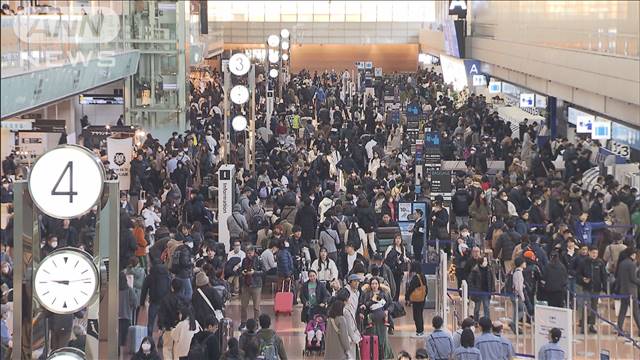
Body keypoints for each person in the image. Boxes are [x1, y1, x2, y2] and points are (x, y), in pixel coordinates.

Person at [362, 277, 394, 359]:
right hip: (372, 320)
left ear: (378, 284)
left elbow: (391, 305)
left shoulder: (384, 294)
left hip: (382, 320)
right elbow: (365, 305)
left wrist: (387, 311)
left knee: (382, 339)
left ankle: (383, 356)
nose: (374, 285)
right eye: (372, 283)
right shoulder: (367, 294)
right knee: (373, 338)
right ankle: (373, 355)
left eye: (376, 283)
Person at [576, 246, 606, 333]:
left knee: (594, 308)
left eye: (596, 253)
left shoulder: (600, 263)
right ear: (589, 252)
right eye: (593, 253)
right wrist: (583, 279)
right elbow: (578, 275)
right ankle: (583, 326)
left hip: (596, 289)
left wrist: (604, 288)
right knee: (586, 307)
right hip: (586, 288)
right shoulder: (583, 262)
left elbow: (603, 276)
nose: (594, 255)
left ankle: (592, 325)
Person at [140, 262, 171, 336]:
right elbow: (169, 287)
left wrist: (142, 302)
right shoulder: (167, 276)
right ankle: (161, 339)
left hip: (154, 302)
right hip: (164, 302)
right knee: (163, 322)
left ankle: (149, 338)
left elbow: (144, 289)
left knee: (151, 322)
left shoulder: (150, 276)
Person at [615, 247, 640, 335]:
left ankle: (620, 329)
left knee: (623, 310)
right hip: (632, 291)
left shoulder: (622, 263)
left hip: (623, 290)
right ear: (632, 254)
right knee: (636, 311)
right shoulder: (631, 264)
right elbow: (633, 278)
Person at [239, 245, 264, 329]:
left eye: (250, 253)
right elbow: (241, 270)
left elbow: (264, 271)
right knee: (243, 306)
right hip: (246, 285)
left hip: (256, 285)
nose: (249, 255)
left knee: (256, 306)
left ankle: (256, 322)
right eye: (247, 253)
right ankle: (243, 322)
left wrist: (254, 272)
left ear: (254, 252)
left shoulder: (259, 259)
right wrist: (243, 272)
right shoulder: (244, 260)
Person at [405, 261, 427, 337]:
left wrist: (407, 297)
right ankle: (421, 330)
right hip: (422, 298)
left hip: (416, 299)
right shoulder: (423, 276)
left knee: (416, 315)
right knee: (420, 314)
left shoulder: (416, 277)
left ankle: (419, 331)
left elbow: (411, 288)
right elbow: (426, 288)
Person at [385, 234, 409, 301]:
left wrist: (406, 259)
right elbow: (386, 257)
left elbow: (404, 257)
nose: (398, 240)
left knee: (398, 286)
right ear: (394, 240)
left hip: (399, 270)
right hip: (392, 270)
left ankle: (396, 300)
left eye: (399, 238)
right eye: (396, 238)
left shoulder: (403, 248)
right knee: (392, 285)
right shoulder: (390, 247)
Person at [510, 257, 526, 334]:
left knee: (516, 311)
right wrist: (522, 296)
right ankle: (514, 323)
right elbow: (518, 287)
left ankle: (514, 325)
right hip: (517, 295)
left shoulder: (515, 272)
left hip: (513, 294)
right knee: (522, 310)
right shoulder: (519, 273)